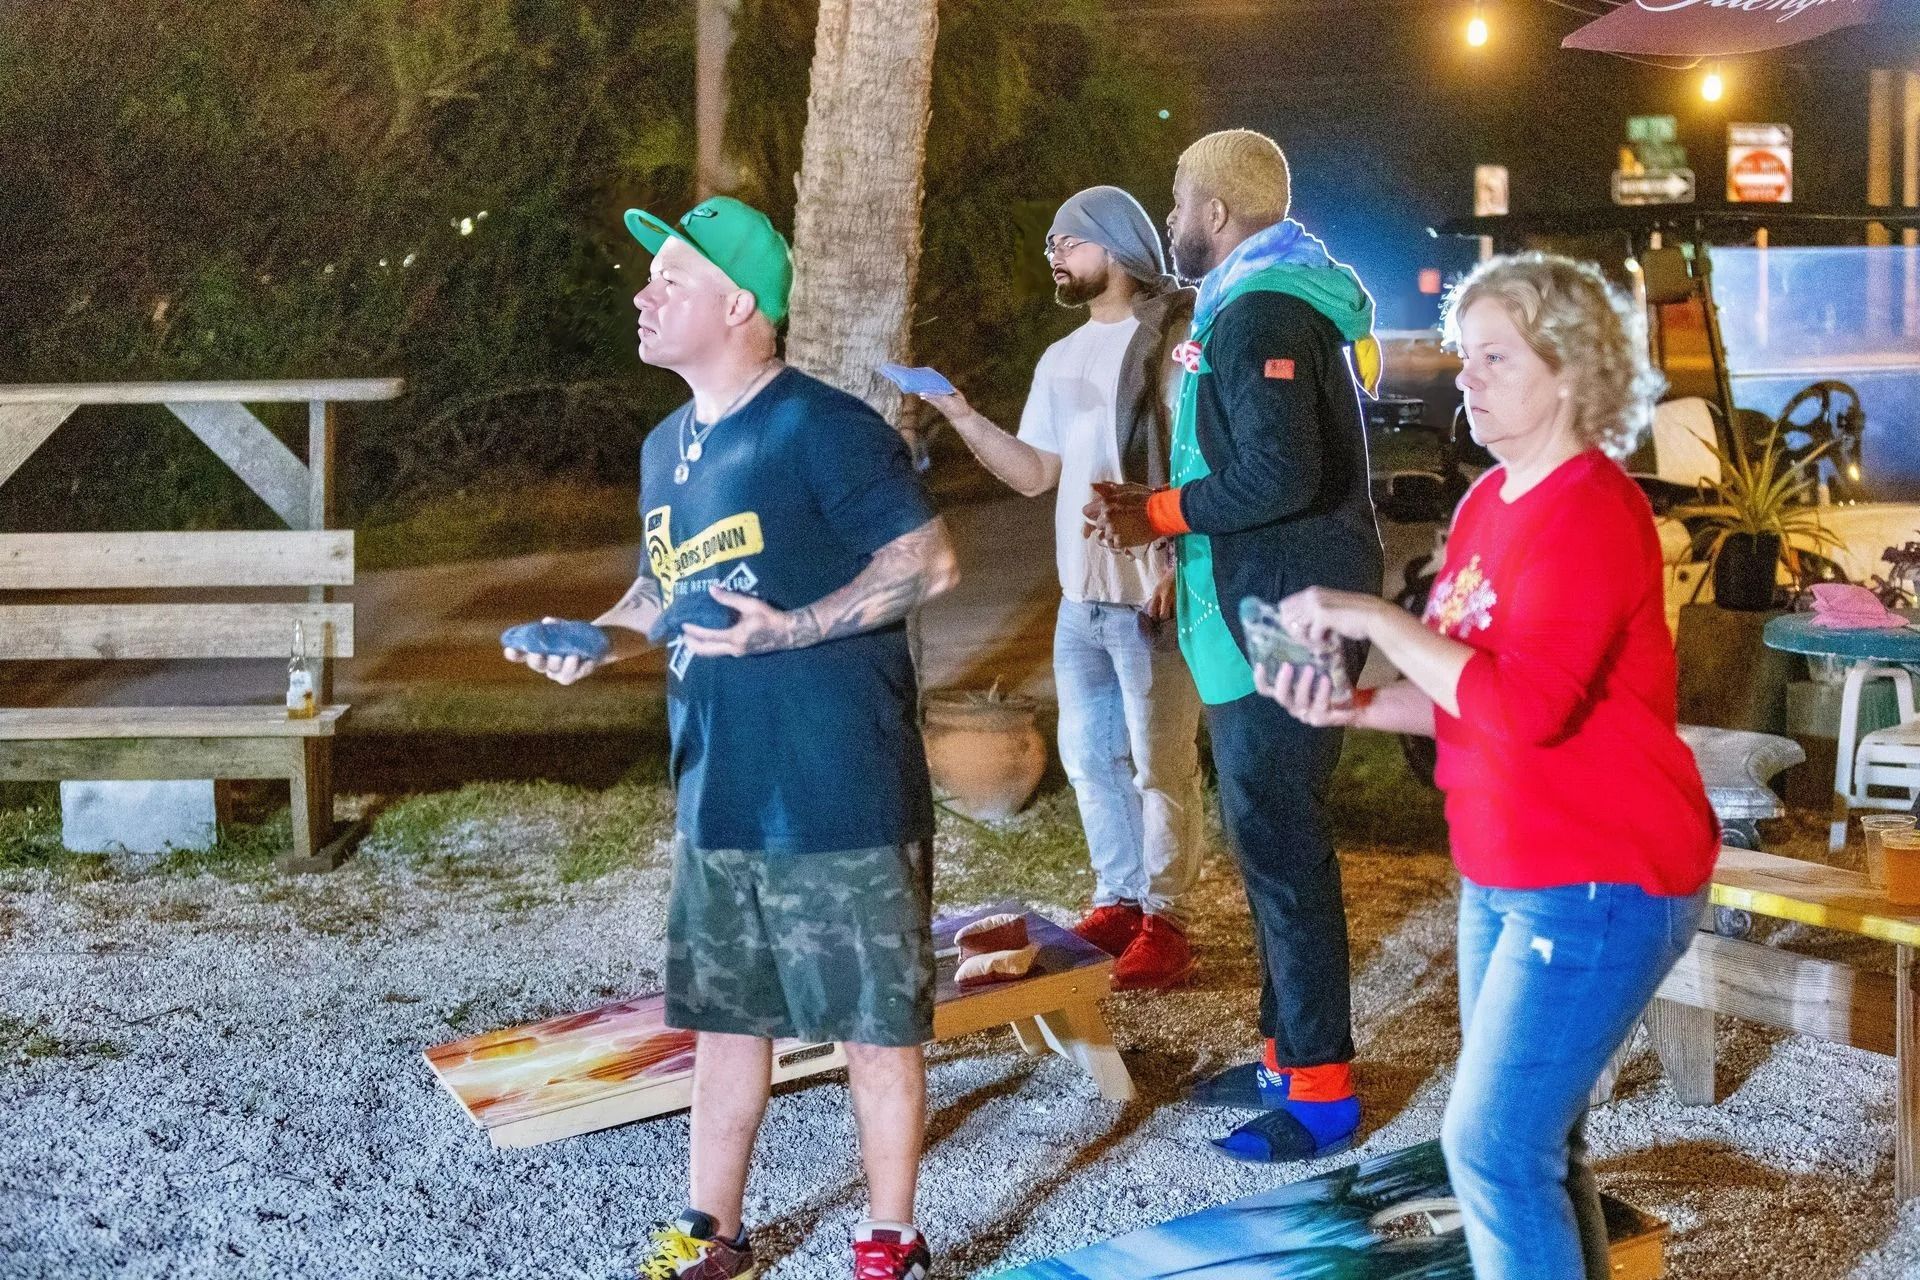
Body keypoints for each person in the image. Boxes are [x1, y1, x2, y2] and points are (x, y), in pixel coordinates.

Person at [506, 195, 959, 1280]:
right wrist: (600, 639)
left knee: (874, 1025)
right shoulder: (665, 445)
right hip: (719, 783)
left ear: (741, 304)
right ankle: (714, 1232)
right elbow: (661, 589)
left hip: (838, 782)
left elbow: (930, 561)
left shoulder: (822, 426)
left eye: (671, 280)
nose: (643, 295)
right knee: (725, 1021)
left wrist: (792, 628)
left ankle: (889, 1235)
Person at [1259, 252, 1716, 1278]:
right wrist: (1357, 703)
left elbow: (1527, 705)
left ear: (1572, 369)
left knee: (1492, 1148)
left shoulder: (1593, 512)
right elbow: (1467, 691)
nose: (1467, 376)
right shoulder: (1488, 504)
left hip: (1602, 876)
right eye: (1465, 355)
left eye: (1495, 356)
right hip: (1507, 869)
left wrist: (1377, 616)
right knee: (1535, 1148)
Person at [1084, 129, 1383, 1162]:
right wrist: (1171, 529)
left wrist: (1160, 513)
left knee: (1284, 846)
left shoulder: (1261, 311)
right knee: (1266, 841)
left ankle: (1322, 1093)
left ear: (1215, 211)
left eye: (1177, 204)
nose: (1171, 222)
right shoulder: (1252, 302)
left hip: (1288, 613)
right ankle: (1282, 1058)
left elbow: (1281, 475)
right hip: (1261, 602)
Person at [917, 186, 1205, 989]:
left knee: (1161, 766)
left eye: (1067, 242)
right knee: (1089, 761)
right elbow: (1034, 473)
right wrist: (962, 417)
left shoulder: (1174, 342)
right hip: (1082, 601)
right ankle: (1118, 900)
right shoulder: (1060, 357)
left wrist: (1176, 559)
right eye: (1051, 243)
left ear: (1116, 246)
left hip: (1152, 592)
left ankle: (1168, 920)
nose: (1054, 255)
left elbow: (1196, 458)